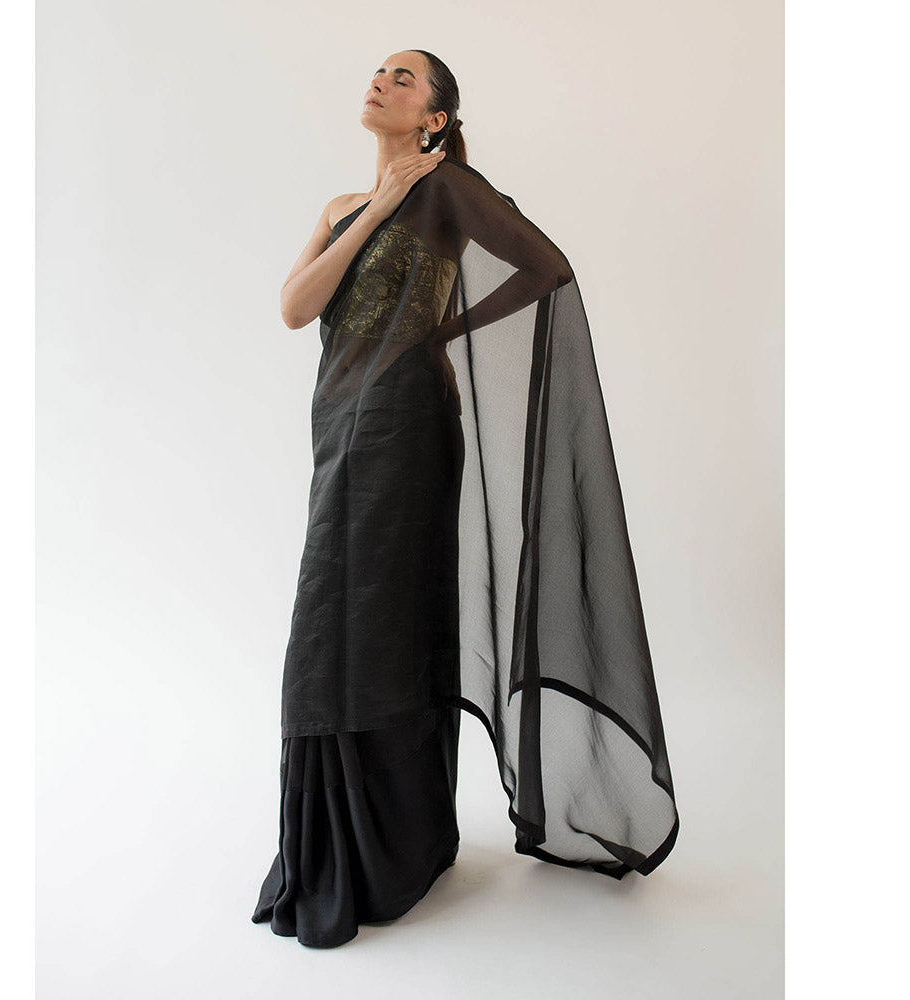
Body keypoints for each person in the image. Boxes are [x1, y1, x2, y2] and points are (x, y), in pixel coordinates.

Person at [252, 49, 680, 949]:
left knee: (377, 614)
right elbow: (294, 308)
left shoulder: (447, 190)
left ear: (435, 119)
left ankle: (389, 844)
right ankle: (362, 836)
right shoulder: (343, 206)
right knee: (341, 609)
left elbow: (545, 267)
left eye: (404, 79)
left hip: (401, 422)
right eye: (381, 71)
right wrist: (377, 203)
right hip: (338, 419)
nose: (382, 80)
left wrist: (439, 334)